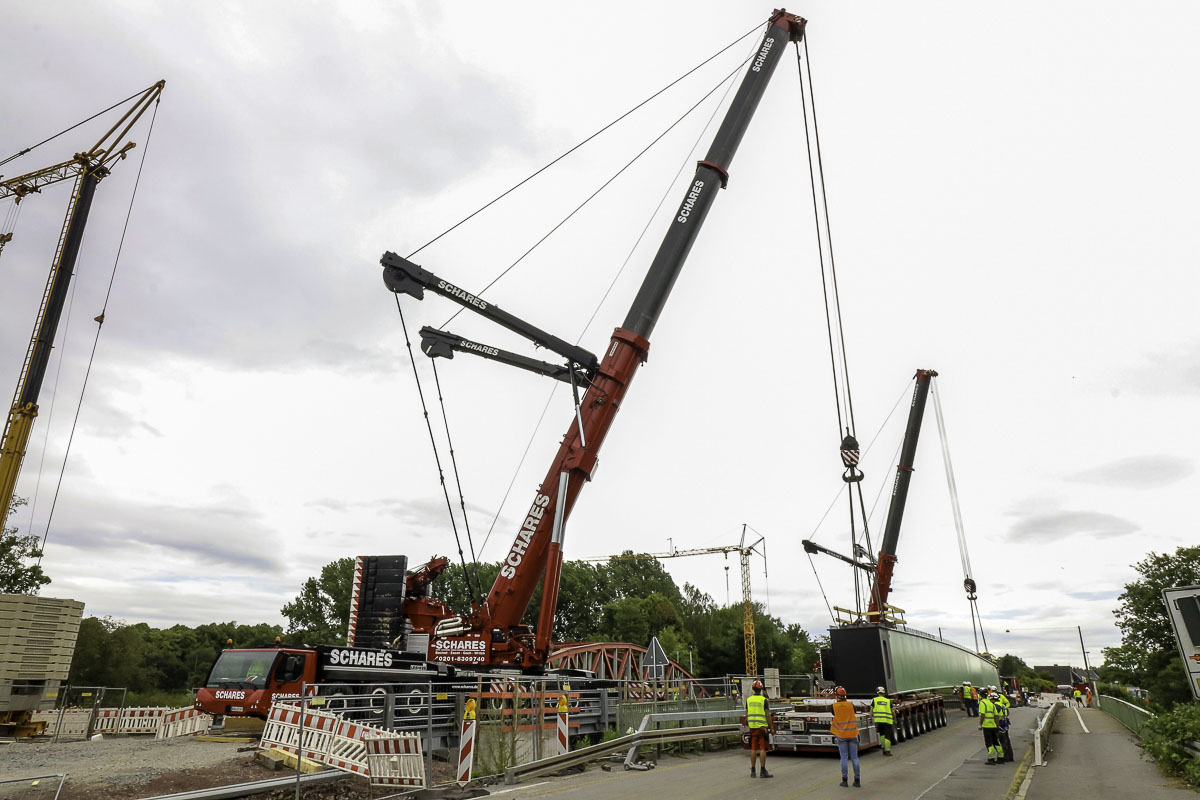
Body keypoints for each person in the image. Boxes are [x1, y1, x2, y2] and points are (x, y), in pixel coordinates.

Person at [831, 686, 861, 787]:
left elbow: (833, 714)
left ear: (836, 696)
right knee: (855, 758)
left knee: (844, 758)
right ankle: (857, 781)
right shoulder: (851, 705)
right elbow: (854, 712)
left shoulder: (834, 706)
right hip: (852, 734)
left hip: (841, 735)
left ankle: (844, 781)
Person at [746, 679, 775, 778]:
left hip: (752, 727)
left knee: (753, 748)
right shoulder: (764, 700)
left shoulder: (748, 700)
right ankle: (763, 770)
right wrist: (771, 728)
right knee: (762, 748)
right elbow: (767, 715)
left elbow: (747, 714)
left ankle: (753, 770)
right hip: (762, 728)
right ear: (761, 689)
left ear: (753, 689)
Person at [978, 690, 1002, 764]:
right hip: (994, 726)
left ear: (981, 696)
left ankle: (991, 758)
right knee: (995, 741)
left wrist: (980, 724)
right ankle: (1001, 757)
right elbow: (996, 716)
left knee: (989, 742)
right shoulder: (991, 704)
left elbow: (982, 714)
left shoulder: (982, 703)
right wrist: (997, 725)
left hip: (986, 726)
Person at [871, 686, 893, 757]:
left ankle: (883, 749)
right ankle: (888, 751)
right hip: (887, 721)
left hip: (879, 721)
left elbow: (871, 710)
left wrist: (871, 718)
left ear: (877, 692)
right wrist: (895, 719)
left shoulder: (874, 700)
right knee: (887, 736)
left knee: (882, 735)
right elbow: (893, 711)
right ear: (884, 692)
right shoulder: (888, 701)